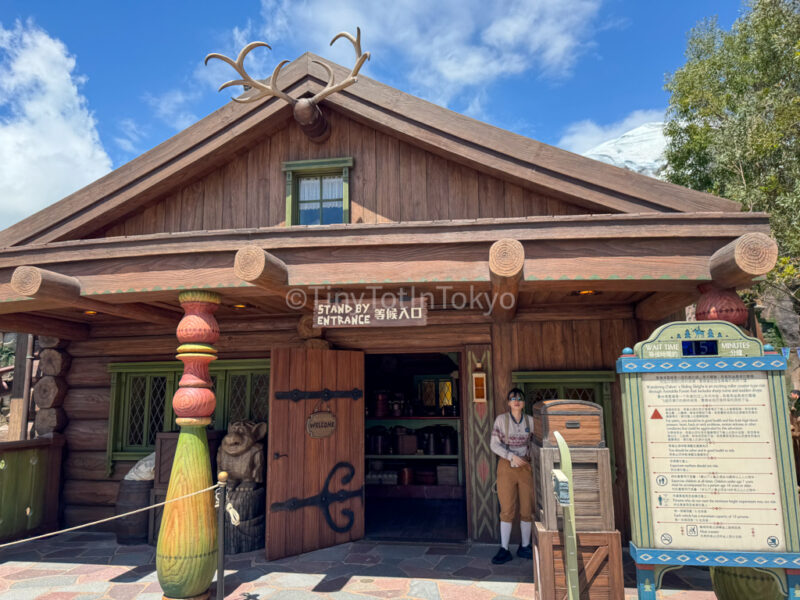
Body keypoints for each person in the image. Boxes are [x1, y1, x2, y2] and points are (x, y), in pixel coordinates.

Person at [489, 387, 534, 564]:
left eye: (519, 398)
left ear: (523, 403)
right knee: (506, 508)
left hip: (525, 466)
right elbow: (494, 444)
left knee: (526, 507)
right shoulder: (501, 420)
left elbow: (536, 443)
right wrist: (510, 456)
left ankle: (525, 546)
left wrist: (528, 457)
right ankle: (504, 548)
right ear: (508, 402)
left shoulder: (530, 421)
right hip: (506, 466)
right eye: (513, 398)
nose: (516, 401)